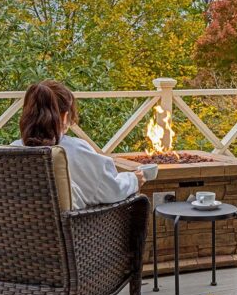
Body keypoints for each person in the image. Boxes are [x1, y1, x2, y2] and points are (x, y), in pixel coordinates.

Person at [12, 80, 145, 209]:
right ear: (65, 116)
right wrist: (133, 179)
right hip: (76, 230)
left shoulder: (11, 151)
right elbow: (112, 190)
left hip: (15, 230)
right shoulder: (74, 150)